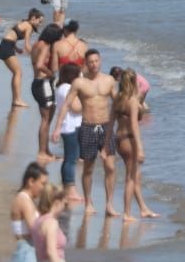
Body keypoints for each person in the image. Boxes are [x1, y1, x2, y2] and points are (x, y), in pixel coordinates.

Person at [63, 49, 118, 217]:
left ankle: (109, 204)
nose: (94, 64)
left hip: (106, 127)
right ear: (86, 64)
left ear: (100, 61)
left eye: (96, 61)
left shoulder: (109, 80)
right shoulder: (79, 83)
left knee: (110, 167)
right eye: (91, 62)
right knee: (88, 168)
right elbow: (67, 104)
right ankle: (88, 202)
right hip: (88, 127)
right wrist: (58, 126)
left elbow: (117, 103)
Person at [113, 68, 157, 220]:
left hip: (118, 139)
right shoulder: (132, 101)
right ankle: (126, 213)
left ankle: (143, 208)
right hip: (129, 140)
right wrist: (140, 148)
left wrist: (106, 144)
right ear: (132, 82)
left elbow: (110, 122)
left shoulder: (118, 98)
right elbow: (134, 125)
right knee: (131, 178)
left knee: (134, 175)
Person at [50, 63, 84, 205]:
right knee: (71, 159)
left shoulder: (61, 87)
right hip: (70, 126)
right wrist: (86, 102)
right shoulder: (68, 88)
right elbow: (76, 107)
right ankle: (71, 190)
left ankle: (67, 187)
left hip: (68, 125)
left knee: (70, 158)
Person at [0, 8, 45, 109]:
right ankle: (17, 99)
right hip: (6, 46)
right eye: (40, 21)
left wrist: (16, 48)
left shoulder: (23, 23)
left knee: (17, 73)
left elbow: (11, 36)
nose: (40, 24)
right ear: (33, 18)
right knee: (18, 73)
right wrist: (36, 57)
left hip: (6, 45)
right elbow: (27, 45)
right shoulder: (28, 26)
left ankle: (15, 99)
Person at [30, 24, 63, 161]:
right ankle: (42, 152)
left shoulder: (37, 44)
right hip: (43, 84)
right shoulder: (45, 46)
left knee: (47, 119)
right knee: (46, 119)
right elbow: (39, 64)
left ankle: (46, 150)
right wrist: (51, 74)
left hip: (38, 83)